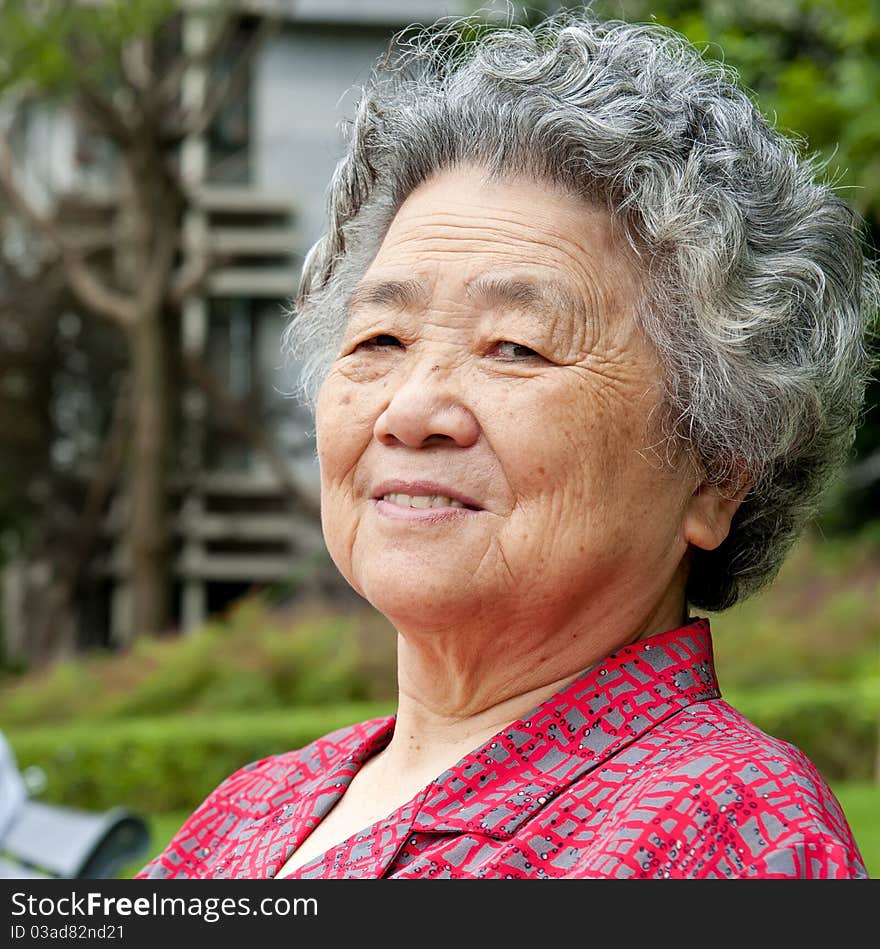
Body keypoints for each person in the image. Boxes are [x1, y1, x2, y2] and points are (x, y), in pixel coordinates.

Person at [138, 8, 877, 880]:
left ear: (717, 469)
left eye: (515, 347)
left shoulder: (724, 834)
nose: (412, 410)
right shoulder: (255, 806)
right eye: (380, 340)